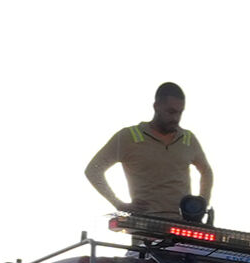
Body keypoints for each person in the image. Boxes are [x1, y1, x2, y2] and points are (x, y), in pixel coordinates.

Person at [85, 82, 214, 225]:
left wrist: (201, 205)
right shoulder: (128, 137)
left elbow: (206, 172)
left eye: (180, 112)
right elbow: (93, 170)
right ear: (156, 106)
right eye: (171, 112)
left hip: (183, 225)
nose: (176, 118)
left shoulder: (188, 139)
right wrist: (118, 204)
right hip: (146, 226)